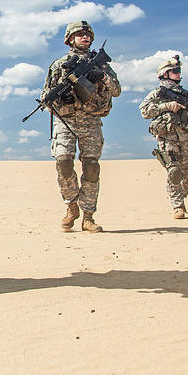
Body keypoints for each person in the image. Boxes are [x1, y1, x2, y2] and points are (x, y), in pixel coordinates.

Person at [43, 21, 120, 233]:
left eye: (87, 34)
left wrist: (102, 76)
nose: (84, 37)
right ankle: (71, 207)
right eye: (79, 34)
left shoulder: (101, 65)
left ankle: (88, 217)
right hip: (65, 121)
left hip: (90, 121)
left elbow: (116, 90)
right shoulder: (59, 65)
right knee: (64, 163)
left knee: (91, 168)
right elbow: (45, 97)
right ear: (69, 39)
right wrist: (62, 98)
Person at [139, 55, 188, 219]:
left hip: (185, 139)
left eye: (179, 71)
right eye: (174, 71)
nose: (178, 74)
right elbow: (144, 111)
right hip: (167, 138)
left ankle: (182, 191)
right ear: (165, 74)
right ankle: (178, 206)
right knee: (174, 172)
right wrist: (166, 106)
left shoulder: (186, 95)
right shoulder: (157, 93)